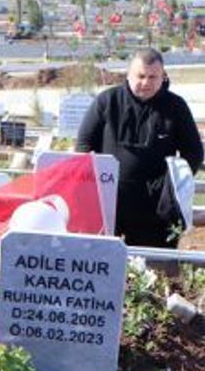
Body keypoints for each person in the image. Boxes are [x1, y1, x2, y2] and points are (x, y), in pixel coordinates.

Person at [76, 48, 203, 248]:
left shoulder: (176, 107)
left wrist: (171, 187)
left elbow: (194, 152)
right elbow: (84, 145)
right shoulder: (107, 101)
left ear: (162, 76)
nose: (146, 82)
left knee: (152, 264)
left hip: (155, 209)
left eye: (153, 77)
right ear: (129, 75)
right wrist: (94, 186)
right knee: (99, 258)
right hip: (108, 202)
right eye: (141, 76)